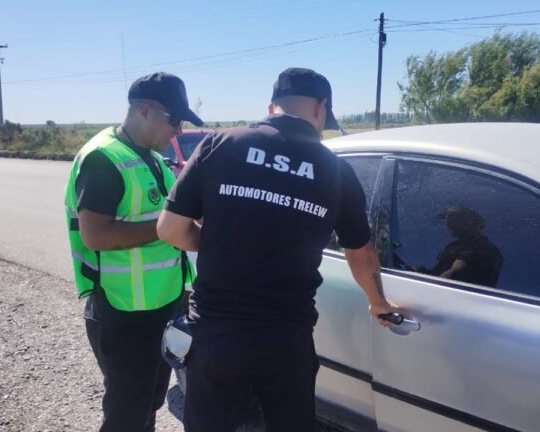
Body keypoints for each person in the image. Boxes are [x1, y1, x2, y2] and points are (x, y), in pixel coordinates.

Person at [157, 67, 395, 432]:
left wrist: (225, 241)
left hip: (218, 332)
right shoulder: (336, 171)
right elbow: (360, 253)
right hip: (287, 339)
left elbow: (170, 229)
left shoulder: (222, 144)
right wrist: (379, 302)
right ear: (321, 109)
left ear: (272, 107)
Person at [63, 72, 202, 432]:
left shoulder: (151, 157)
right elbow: (95, 235)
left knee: (148, 403)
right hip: (123, 312)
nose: (179, 131)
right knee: (127, 412)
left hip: (160, 304)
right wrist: (168, 229)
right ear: (144, 111)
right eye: (175, 120)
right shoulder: (104, 159)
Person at [415, 206, 503, 287]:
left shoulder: (482, 248)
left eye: (455, 221)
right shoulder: (455, 246)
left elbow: (452, 275)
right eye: (449, 221)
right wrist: (422, 272)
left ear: (470, 223)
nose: (449, 225)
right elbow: (438, 275)